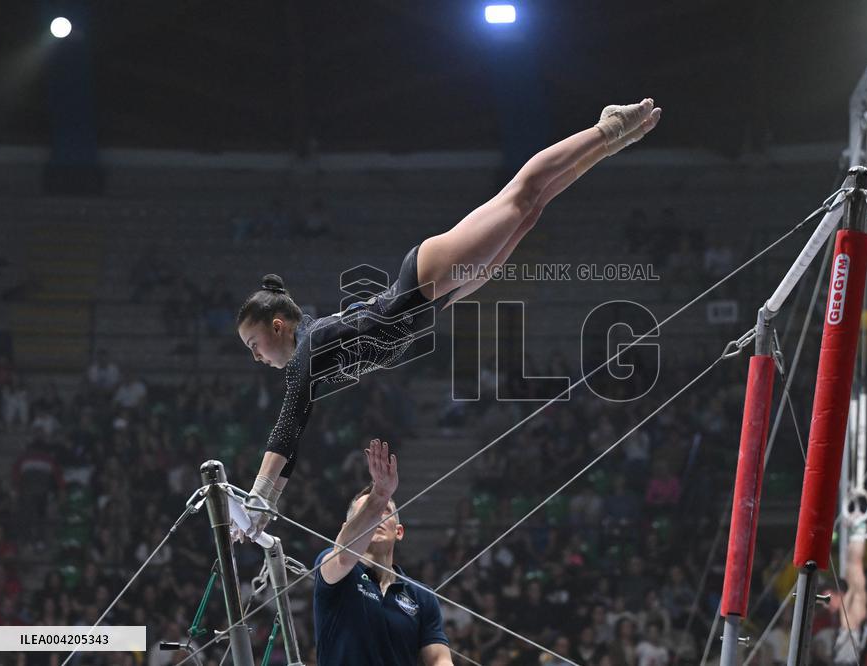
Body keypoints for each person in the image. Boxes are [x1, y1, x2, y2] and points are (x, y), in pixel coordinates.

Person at [234, 99, 663, 535]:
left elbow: (287, 426)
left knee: (520, 195)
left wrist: (257, 501)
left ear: (277, 326)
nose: (255, 357)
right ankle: (608, 144)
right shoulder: (312, 352)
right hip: (437, 300)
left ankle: (609, 127)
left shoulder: (307, 350)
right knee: (530, 213)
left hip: (423, 280)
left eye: (254, 345)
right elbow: (295, 431)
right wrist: (261, 509)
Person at [313, 439, 453, 665]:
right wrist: (379, 496)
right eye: (367, 514)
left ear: (399, 532)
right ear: (346, 530)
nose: (376, 516)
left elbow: (439, 660)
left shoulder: (422, 596)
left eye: (383, 511)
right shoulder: (334, 568)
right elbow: (344, 556)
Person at [813, 523, 867, 665]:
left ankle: (858, 532)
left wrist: (857, 536)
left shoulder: (852, 608)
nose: (826, 606)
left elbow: (856, 565)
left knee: (854, 567)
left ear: (839, 594)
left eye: (828, 600)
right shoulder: (836, 616)